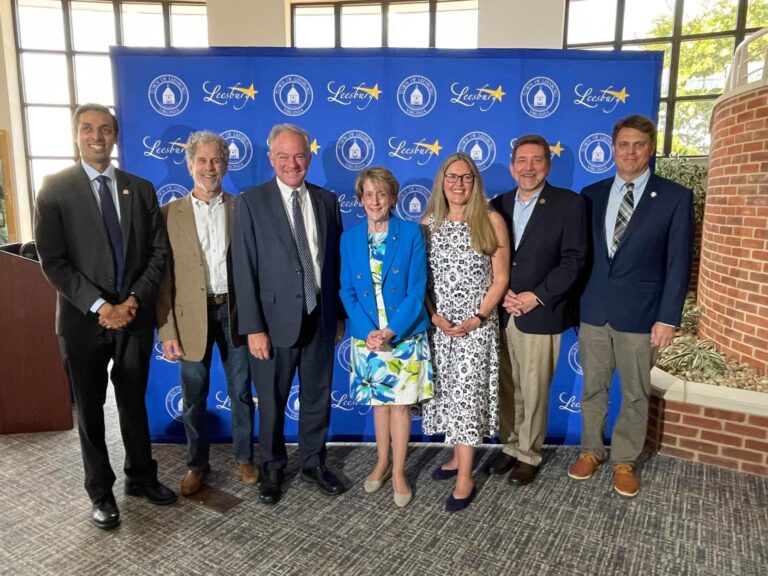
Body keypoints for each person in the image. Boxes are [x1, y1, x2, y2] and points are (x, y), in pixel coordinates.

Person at [34, 103, 175, 530]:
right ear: (76, 135)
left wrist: (131, 301)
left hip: (134, 315)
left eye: (106, 129)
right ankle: (101, 492)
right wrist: (101, 306)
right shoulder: (54, 189)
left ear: (116, 136)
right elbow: (53, 261)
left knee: (134, 403)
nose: (98, 136)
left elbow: (158, 252)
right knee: (91, 411)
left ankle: (140, 477)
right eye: (88, 129)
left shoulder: (141, 188)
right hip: (82, 321)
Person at [568, 114, 693, 497]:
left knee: (636, 392)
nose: (630, 152)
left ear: (650, 149)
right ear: (613, 148)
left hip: (641, 315)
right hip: (593, 311)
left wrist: (668, 318)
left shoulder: (674, 197)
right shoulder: (592, 194)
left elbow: (679, 262)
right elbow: (581, 257)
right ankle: (591, 451)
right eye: (623, 144)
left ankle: (624, 460)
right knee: (593, 389)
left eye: (638, 145)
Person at [231, 123, 345, 505]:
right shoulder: (250, 202)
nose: (291, 163)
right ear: (271, 159)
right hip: (272, 325)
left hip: (320, 317)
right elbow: (243, 271)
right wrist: (253, 328)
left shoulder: (327, 201)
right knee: (273, 400)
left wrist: (340, 316)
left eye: (298, 155)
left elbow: (334, 266)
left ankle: (314, 462)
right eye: (283, 156)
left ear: (309, 158)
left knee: (317, 397)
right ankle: (273, 467)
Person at [156, 131, 257, 497]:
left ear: (226, 165)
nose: (209, 167)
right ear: (189, 164)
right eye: (202, 160)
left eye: (216, 160)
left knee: (241, 391)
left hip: (236, 313)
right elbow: (162, 278)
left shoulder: (243, 208)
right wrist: (166, 330)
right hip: (188, 319)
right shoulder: (168, 214)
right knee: (194, 396)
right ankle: (196, 464)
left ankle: (245, 456)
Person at [488, 135, 587, 485]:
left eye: (536, 160)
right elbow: (487, 257)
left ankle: (529, 454)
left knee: (533, 389)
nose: (528, 168)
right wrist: (500, 293)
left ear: (548, 164)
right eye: (522, 160)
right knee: (508, 386)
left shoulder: (568, 204)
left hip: (540, 313)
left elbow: (574, 260)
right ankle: (511, 446)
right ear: (513, 165)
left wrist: (536, 296)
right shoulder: (496, 204)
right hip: (501, 311)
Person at [340, 167, 433, 508]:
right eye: (368, 194)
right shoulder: (348, 239)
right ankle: (381, 462)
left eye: (381, 194)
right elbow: (346, 291)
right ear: (360, 200)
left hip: (404, 335)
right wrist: (368, 334)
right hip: (368, 338)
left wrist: (391, 330)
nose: (375, 201)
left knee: (400, 407)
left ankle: (398, 472)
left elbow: (415, 290)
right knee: (380, 404)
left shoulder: (411, 234)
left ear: (393, 197)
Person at [421, 152, 510, 512]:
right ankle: (458, 457)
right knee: (448, 396)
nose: (459, 184)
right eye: (452, 177)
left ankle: (465, 477)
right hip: (441, 327)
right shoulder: (428, 223)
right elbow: (421, 280)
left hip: (476, 326)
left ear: (475, 182)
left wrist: (477, 316)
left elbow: (501, 278)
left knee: (466, 399)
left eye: (466, 177)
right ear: (442, 181)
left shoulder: (490, 220)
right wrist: (433, 315)